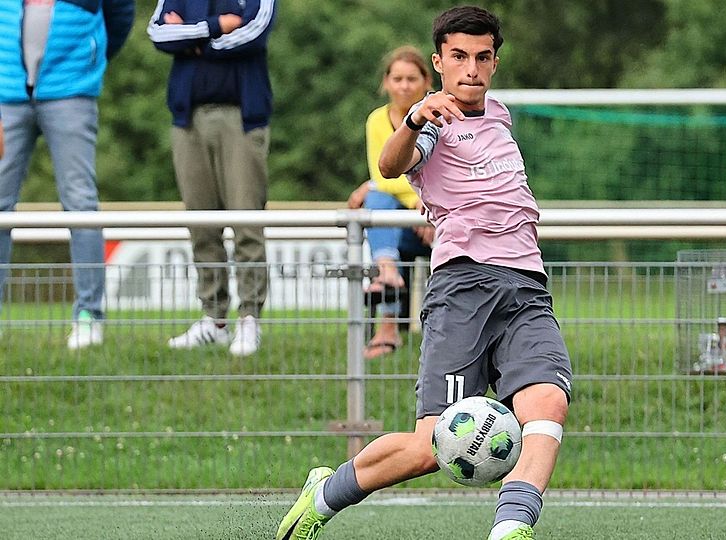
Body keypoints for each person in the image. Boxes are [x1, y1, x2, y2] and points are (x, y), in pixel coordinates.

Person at [276, 6, 572, 540]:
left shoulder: (501, 116)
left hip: (527, 287)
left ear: (494, 63)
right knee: (431, 445)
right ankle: (324, 494)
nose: (471, 69)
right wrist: (414, 117)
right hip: (465, 288)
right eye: (459, 57)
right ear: (439, 62)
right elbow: (390, 166)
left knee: (548, 402)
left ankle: (512, 526)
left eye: (482, 58)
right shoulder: (434, 118)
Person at [0, 0, 135, 349]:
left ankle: (88, 316)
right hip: (7, 95)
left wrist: (91, 59)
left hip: (72, 94)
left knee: (80, 203)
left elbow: (119, 18)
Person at [148, 0, 277, 357]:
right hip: (187, 119)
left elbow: (254, 33)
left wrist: (190, 39)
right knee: (201, 224)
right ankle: (214, 318)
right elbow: (158, 33)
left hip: (241, 118)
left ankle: (249, 318)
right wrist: (215, 27)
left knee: (246, 222)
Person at [346, 46, 434, 360]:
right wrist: (414, 202)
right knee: (378, 200)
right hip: (407, 219)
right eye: (397, 78)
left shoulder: (440, 115)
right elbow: (383, 175)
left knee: (375, 199)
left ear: (427, 81)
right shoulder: (376, 120)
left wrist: (429, 209)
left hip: (441, 219)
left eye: (412, 78)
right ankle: (388, 283)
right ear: (386, 83)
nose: (404, 86)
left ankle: (388, 274)